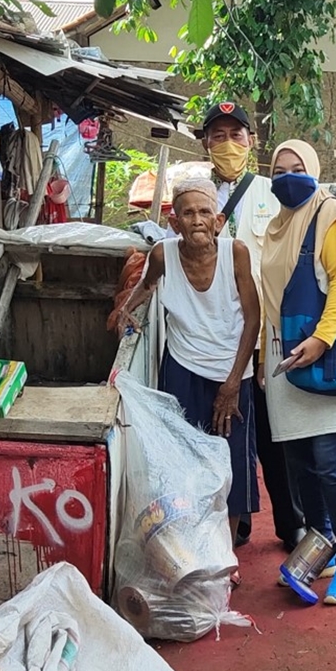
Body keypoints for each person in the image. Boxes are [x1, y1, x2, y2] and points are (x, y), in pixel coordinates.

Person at [119, 178, 262, 549]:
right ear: (174, 222)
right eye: (187, 213)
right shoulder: (164, 254)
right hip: (182, 367)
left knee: (231, 463)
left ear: (217, 220)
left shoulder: (237, 253)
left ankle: (224, 552)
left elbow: (253, 318)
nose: (196, 220)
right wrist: (124, 310)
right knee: (182, 458)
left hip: (232, 371)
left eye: (204, 212)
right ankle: (190, 544)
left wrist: (232, 384)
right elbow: (147, 285)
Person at [260, 138, 336, 605]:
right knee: (300, 465)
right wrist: (262, 360)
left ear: (315, 170)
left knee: (331, 463)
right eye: (279, 169)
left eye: (297, 167)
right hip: (284, 361)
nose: (287, 176)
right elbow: (269, 302)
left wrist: (322, 338)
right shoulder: (275, 226)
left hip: (322, 357)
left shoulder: (332, 215)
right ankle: (318, 546)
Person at [199, 103, 307, 553]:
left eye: (236, 135)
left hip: (264, 336)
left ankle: (291, 522)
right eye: (218, 135)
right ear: (205, 142)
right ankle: (233, 522)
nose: (228, 144)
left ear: (252, 141)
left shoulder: (270, 193)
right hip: (213, 338)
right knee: (219, 432)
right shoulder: (195, 194)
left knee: (272, 435)